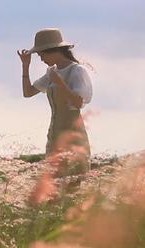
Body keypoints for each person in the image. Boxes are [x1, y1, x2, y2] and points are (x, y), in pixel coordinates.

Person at [17, 28, 93, 178]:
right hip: (54, 134)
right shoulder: (51, 72)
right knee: (54, 186)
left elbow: (78, 102)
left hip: (73, 135)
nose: (41, 58)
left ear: (52, 50)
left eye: (41, 54)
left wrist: (59, 83)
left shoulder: (77, 71)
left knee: (72, 184)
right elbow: (28, 93)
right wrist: (25, 66)